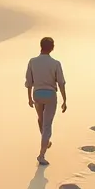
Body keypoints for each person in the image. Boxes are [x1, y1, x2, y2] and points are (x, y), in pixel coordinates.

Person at [25, 36, 67, 165]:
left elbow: (29, 82)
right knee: (47, 125)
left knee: (41, 120)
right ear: (52, 48)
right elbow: (61, 83)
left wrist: (29, 98)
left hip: (37, 94)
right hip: (50, 95)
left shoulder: (32, 61)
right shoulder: (55, 63)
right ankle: (41, 155)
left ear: (40, 46)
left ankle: (46, 141)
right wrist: (65, 100)